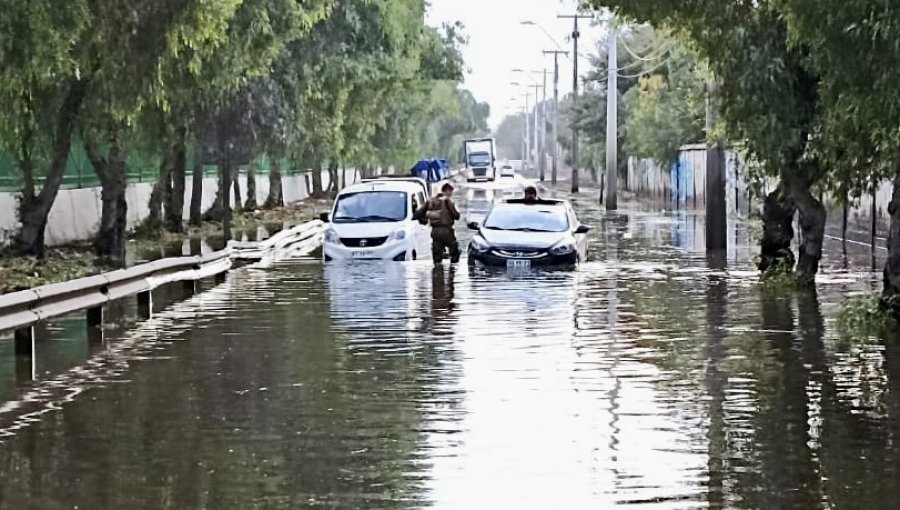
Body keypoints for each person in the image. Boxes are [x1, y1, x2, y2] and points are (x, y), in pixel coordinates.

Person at [415, 183, 460, 263]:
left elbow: (418, 214)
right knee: (454, 252)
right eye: (450, 192)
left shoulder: (430, 201)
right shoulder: (447, 201)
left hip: (435, 232)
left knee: (437, 256)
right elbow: (456, 216)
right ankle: (452, 272)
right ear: (447, 191)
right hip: (447, 231)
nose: (450, 194)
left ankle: (437, 272)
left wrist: (424, 221)